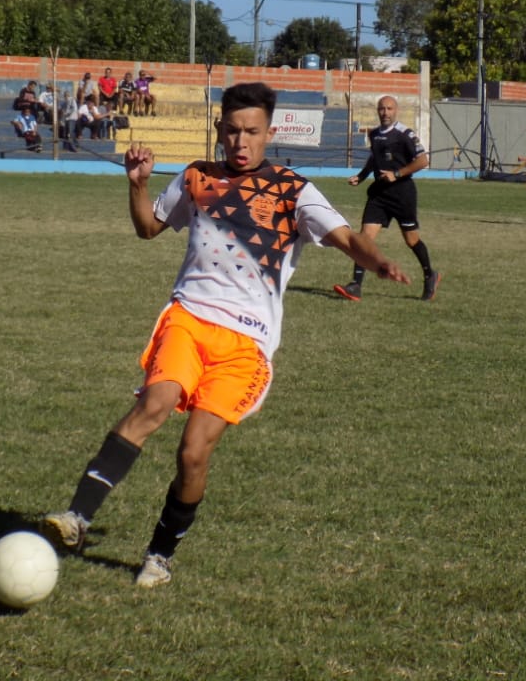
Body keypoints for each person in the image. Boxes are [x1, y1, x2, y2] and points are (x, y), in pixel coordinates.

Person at [42, 82, 410, 588]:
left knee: (193, 452)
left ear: (269, 133)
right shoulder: (196, 177)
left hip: (247, 343)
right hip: (189, 318)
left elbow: (346, 238)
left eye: (252, 132)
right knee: (153, 405)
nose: (241, 142)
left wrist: (381, 259)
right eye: (233, 131)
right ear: (220, 130)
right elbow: (148, 228)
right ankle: (76, 518)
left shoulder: (293, 190)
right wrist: (137, 184)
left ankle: (160, 554)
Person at [332, 96, 441, 302]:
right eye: (382, 109)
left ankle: (430, 275)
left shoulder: (405, 134)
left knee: (412, 240)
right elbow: (374, 158)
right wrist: (362, 176)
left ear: (396, 110)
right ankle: (355, 285)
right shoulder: (374, 134)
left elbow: (423, 160)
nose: (385, 112)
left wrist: (397, 174)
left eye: (389, 108)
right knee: (364, 238)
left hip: (402, 194)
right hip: (379, 194)